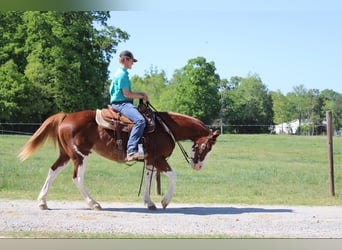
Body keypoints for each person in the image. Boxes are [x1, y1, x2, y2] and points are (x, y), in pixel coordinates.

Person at [109, 50, 149, 161]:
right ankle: (131, 151)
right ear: (125, 59)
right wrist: (141, 95)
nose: (133, 63)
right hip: (122, 103)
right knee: (140, 121)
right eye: (132, 60)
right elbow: (127, 94)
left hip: (121, 102)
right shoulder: (122, 75)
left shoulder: (120, 73)